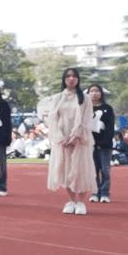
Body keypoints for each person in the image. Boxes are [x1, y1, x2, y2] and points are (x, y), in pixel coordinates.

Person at [38, 68, 97, 215]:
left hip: (81, 141)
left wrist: (76, 136)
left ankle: (81, 202)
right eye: (68, 76)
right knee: (65, 170)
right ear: (64, 79)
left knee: (81, 170)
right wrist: (60, 138)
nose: (71, 79)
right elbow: (53, 119)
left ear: (78, 79)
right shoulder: (57, 98)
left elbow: (86, 119)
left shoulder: (85, 98)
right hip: (62, 141)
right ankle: (71, 200)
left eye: (74, 76)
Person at [87, 84, 114, 203]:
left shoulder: (108, 108)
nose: (94, 93)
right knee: (93, 170)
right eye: (91, 91)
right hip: (90, 145)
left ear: (101, 93)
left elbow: (110, 128)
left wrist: (104, 142)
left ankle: (104, 193)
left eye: (97, 91)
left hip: (105, 145)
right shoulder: (85, 108)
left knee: (105, 170)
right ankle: (95, 192)